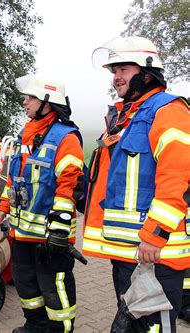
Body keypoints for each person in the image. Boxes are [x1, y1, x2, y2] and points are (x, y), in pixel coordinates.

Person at [83, 36, 190, 332]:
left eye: (123, 70)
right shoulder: (127, 117)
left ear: (147, 71)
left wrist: (155, 234)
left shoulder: (168, 111)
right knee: (133, 324)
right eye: (113, 71)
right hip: (128, 251)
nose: (116, 78)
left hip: (156, 252)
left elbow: (177, 177)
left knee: (152, 327)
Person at [0, 74, 85, 333]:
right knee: (26, 282)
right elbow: (14, 179)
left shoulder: (66, 138)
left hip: (50, 236)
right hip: (22, 233)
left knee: (54, 287)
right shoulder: (26, 135)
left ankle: (60, 330)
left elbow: (69, 187)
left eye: (30, 97)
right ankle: (35, 325)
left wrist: (59, 231)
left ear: (48, 100)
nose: (25, 102)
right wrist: (3, 208)